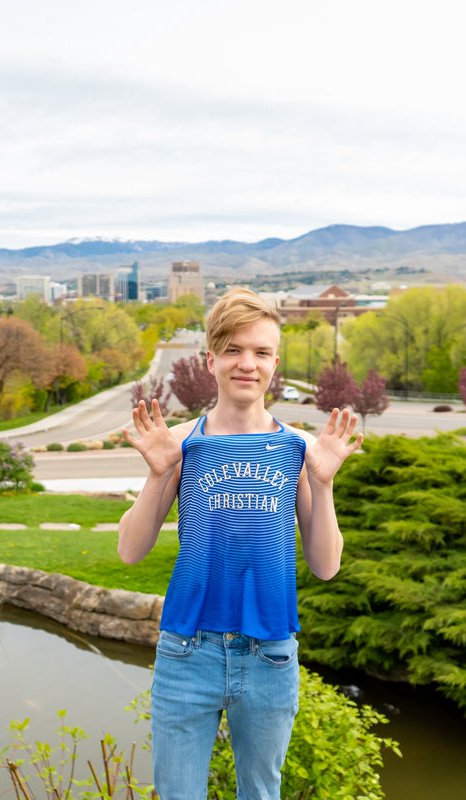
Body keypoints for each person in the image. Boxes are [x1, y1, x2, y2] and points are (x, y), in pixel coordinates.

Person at [118, 288, 363, 799]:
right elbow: (130, 551)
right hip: (187, 654)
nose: (246, 363)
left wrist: (323, 483)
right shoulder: (179, 444)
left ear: (276, 362)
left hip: (270, 655)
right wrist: (158, 473)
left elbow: (325, 566)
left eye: (260, 352)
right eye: (232, 350)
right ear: (211, 360)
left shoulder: (300, 450)